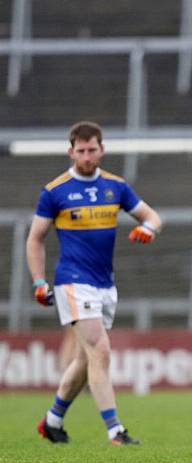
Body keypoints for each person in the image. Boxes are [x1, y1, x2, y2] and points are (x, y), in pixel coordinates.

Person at [28, 120, 162, 445]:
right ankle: (116, 430)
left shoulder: (115, 187)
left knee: (85, 357)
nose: (87, 156)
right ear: (71, 151)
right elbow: (35, 239)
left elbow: (153, 216)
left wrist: (149, 229)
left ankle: (52, 420)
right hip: (72, 281)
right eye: (81, 150)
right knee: (100, 350)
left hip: (105, 284)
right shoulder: (55, 191)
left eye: (92, 149)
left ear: (102, 150)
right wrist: (39, 281)